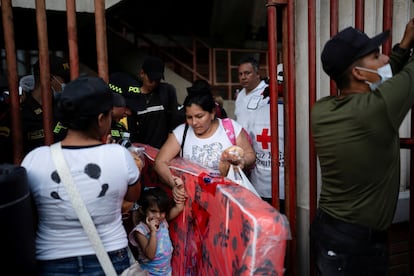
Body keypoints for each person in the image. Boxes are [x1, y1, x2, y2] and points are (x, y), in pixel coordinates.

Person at [310, 19, 414, 275]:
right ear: (357, 73)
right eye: (376, 56)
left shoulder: (321, 110)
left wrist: (405, 44)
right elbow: (402, 78)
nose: (386, 58)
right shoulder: (376, 110)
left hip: (328, 230)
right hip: (357, 245)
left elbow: (385, 79)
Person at [21, 76, 142, 275]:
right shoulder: (119, 155)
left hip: (52, 259)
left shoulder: (35, 159)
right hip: (110, 256)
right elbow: (133, 196)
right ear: (101, 118)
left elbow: (28, 212)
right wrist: (136, 167)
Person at [154, 81, 255, 200]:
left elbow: (250, 155)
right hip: (194, 198)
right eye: (189, 117)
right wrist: (175, 185)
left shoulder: (230, 128)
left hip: (229, 199)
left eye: (199, 116)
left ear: (212, 113)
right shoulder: (182, 132)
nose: (194, 123)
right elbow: (160, 162)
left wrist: (242, 161)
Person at [124, 56, 182, 149]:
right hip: (143, 151)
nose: (154, 83)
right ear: (142, 73)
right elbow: (132, 130)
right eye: (151, 79)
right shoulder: (133, 96)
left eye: (158, 79)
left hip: (165, 151)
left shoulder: (167, 91)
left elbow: (174, 122)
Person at [245, 82, 285, 213]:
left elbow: (248, 144)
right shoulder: (294, 114)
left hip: (259, 186)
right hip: (285, 187)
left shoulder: (254, 115)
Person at [129, 185, 185, 275]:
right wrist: (153, 232)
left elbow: (179, 207)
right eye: (153, 211)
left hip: (166, 272)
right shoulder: (140, 231)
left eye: (162, 211)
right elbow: (150, 255)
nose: (158, 216)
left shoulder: (162, 222)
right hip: (148, 273)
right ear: (143, 210)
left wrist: (179, 187)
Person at [20, 54, 71, 154]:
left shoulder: (64, 109)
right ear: (50, 78)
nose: (66, 85)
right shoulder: (20, 114)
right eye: (64, 80)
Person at [234, 55, 268, 130]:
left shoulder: (267, 92)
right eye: (240, 74)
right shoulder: (240, 95)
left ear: (258, 74)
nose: (243, 77)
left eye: (247, 73)